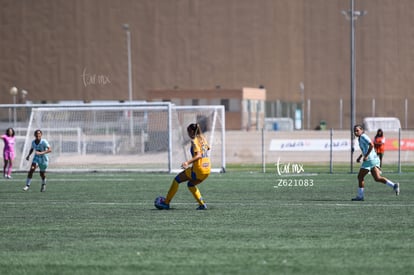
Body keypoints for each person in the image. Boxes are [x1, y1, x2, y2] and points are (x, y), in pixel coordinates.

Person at [157, 123, 211, 210]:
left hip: (198, 170)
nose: (188, 134)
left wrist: (187, 162)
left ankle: (166, 203)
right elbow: (207, 149)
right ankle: (202, 204)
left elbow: (199, 155)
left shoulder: (194, 141)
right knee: (191, 184)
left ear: (192, 132)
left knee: (177, 180)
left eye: (188, 132)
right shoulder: (203, 138)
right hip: (207, 169)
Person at [352, 124, 399, 201]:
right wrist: (360, 157)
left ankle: (360, 196)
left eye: (357, 130)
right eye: (354, 131)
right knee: (377, 178)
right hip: (373, 159)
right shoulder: (361, 138)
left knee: (360, 177)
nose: (355, 132)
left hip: (369, 160)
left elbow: (371, 145)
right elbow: (366, 148)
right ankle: (394, 185)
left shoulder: (363, 136)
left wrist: (366, 156)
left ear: (362, 130)